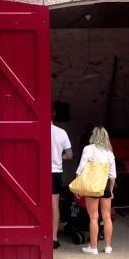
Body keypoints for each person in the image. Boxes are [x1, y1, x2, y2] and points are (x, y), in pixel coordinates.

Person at [74, 126, 116, 255]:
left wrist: (78, 186)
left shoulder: (88, 149)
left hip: (92, 187)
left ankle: (93, 247)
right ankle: (108, 247)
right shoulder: (109, 152)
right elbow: (113, 175)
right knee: (107, 217)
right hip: (105, 187)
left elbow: (80, 169)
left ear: (94, 136)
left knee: (93, 217)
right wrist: (111, 190)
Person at [50, 107, 73, 250]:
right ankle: (53, 237)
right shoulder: (61, 132)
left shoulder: (37, 129)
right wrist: (60, 157)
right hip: (55, 172)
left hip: (39, 172)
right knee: (54, 205)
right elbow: (69, 155)